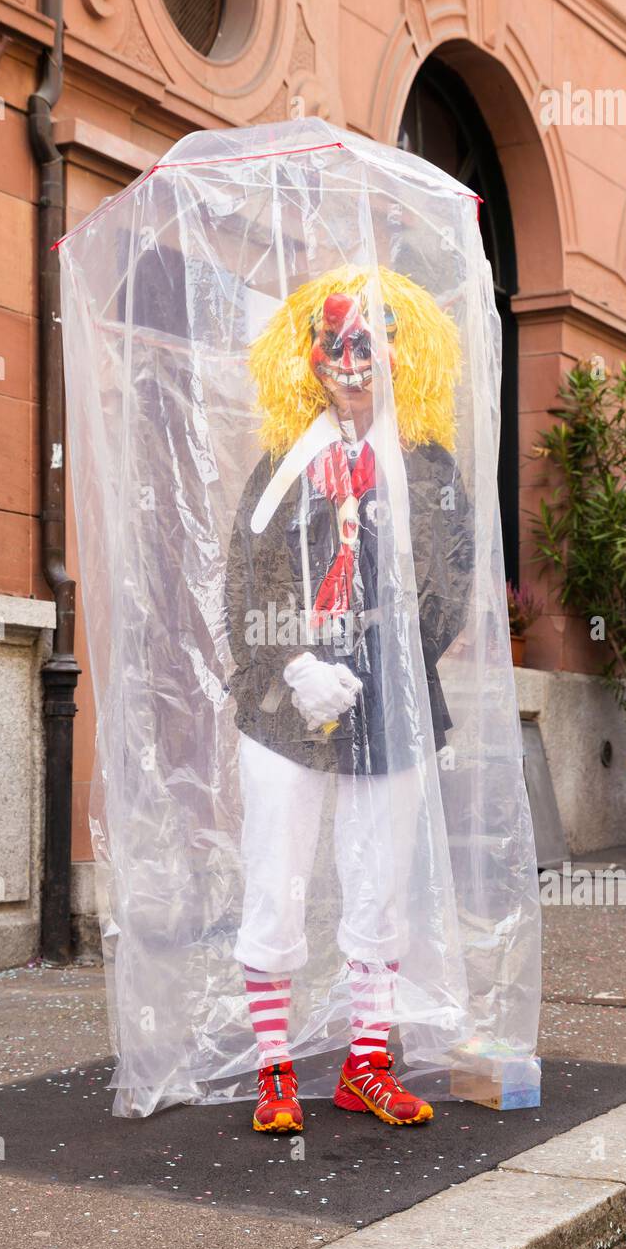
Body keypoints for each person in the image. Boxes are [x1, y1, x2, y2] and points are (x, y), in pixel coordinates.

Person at [224, 266, 472, 1132]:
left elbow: (449, 583)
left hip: (389, 702)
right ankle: (274, 1071)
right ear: (309, 357)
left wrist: (377, 661)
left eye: (371, 342)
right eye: (336, 343)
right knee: (276, 880)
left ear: (406, 356)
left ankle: (366, 1064)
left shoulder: (427, 467)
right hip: (280, 709)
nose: (352, 359)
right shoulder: (281, 469)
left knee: (379, 884)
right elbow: (245, 580)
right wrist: (296, 664)